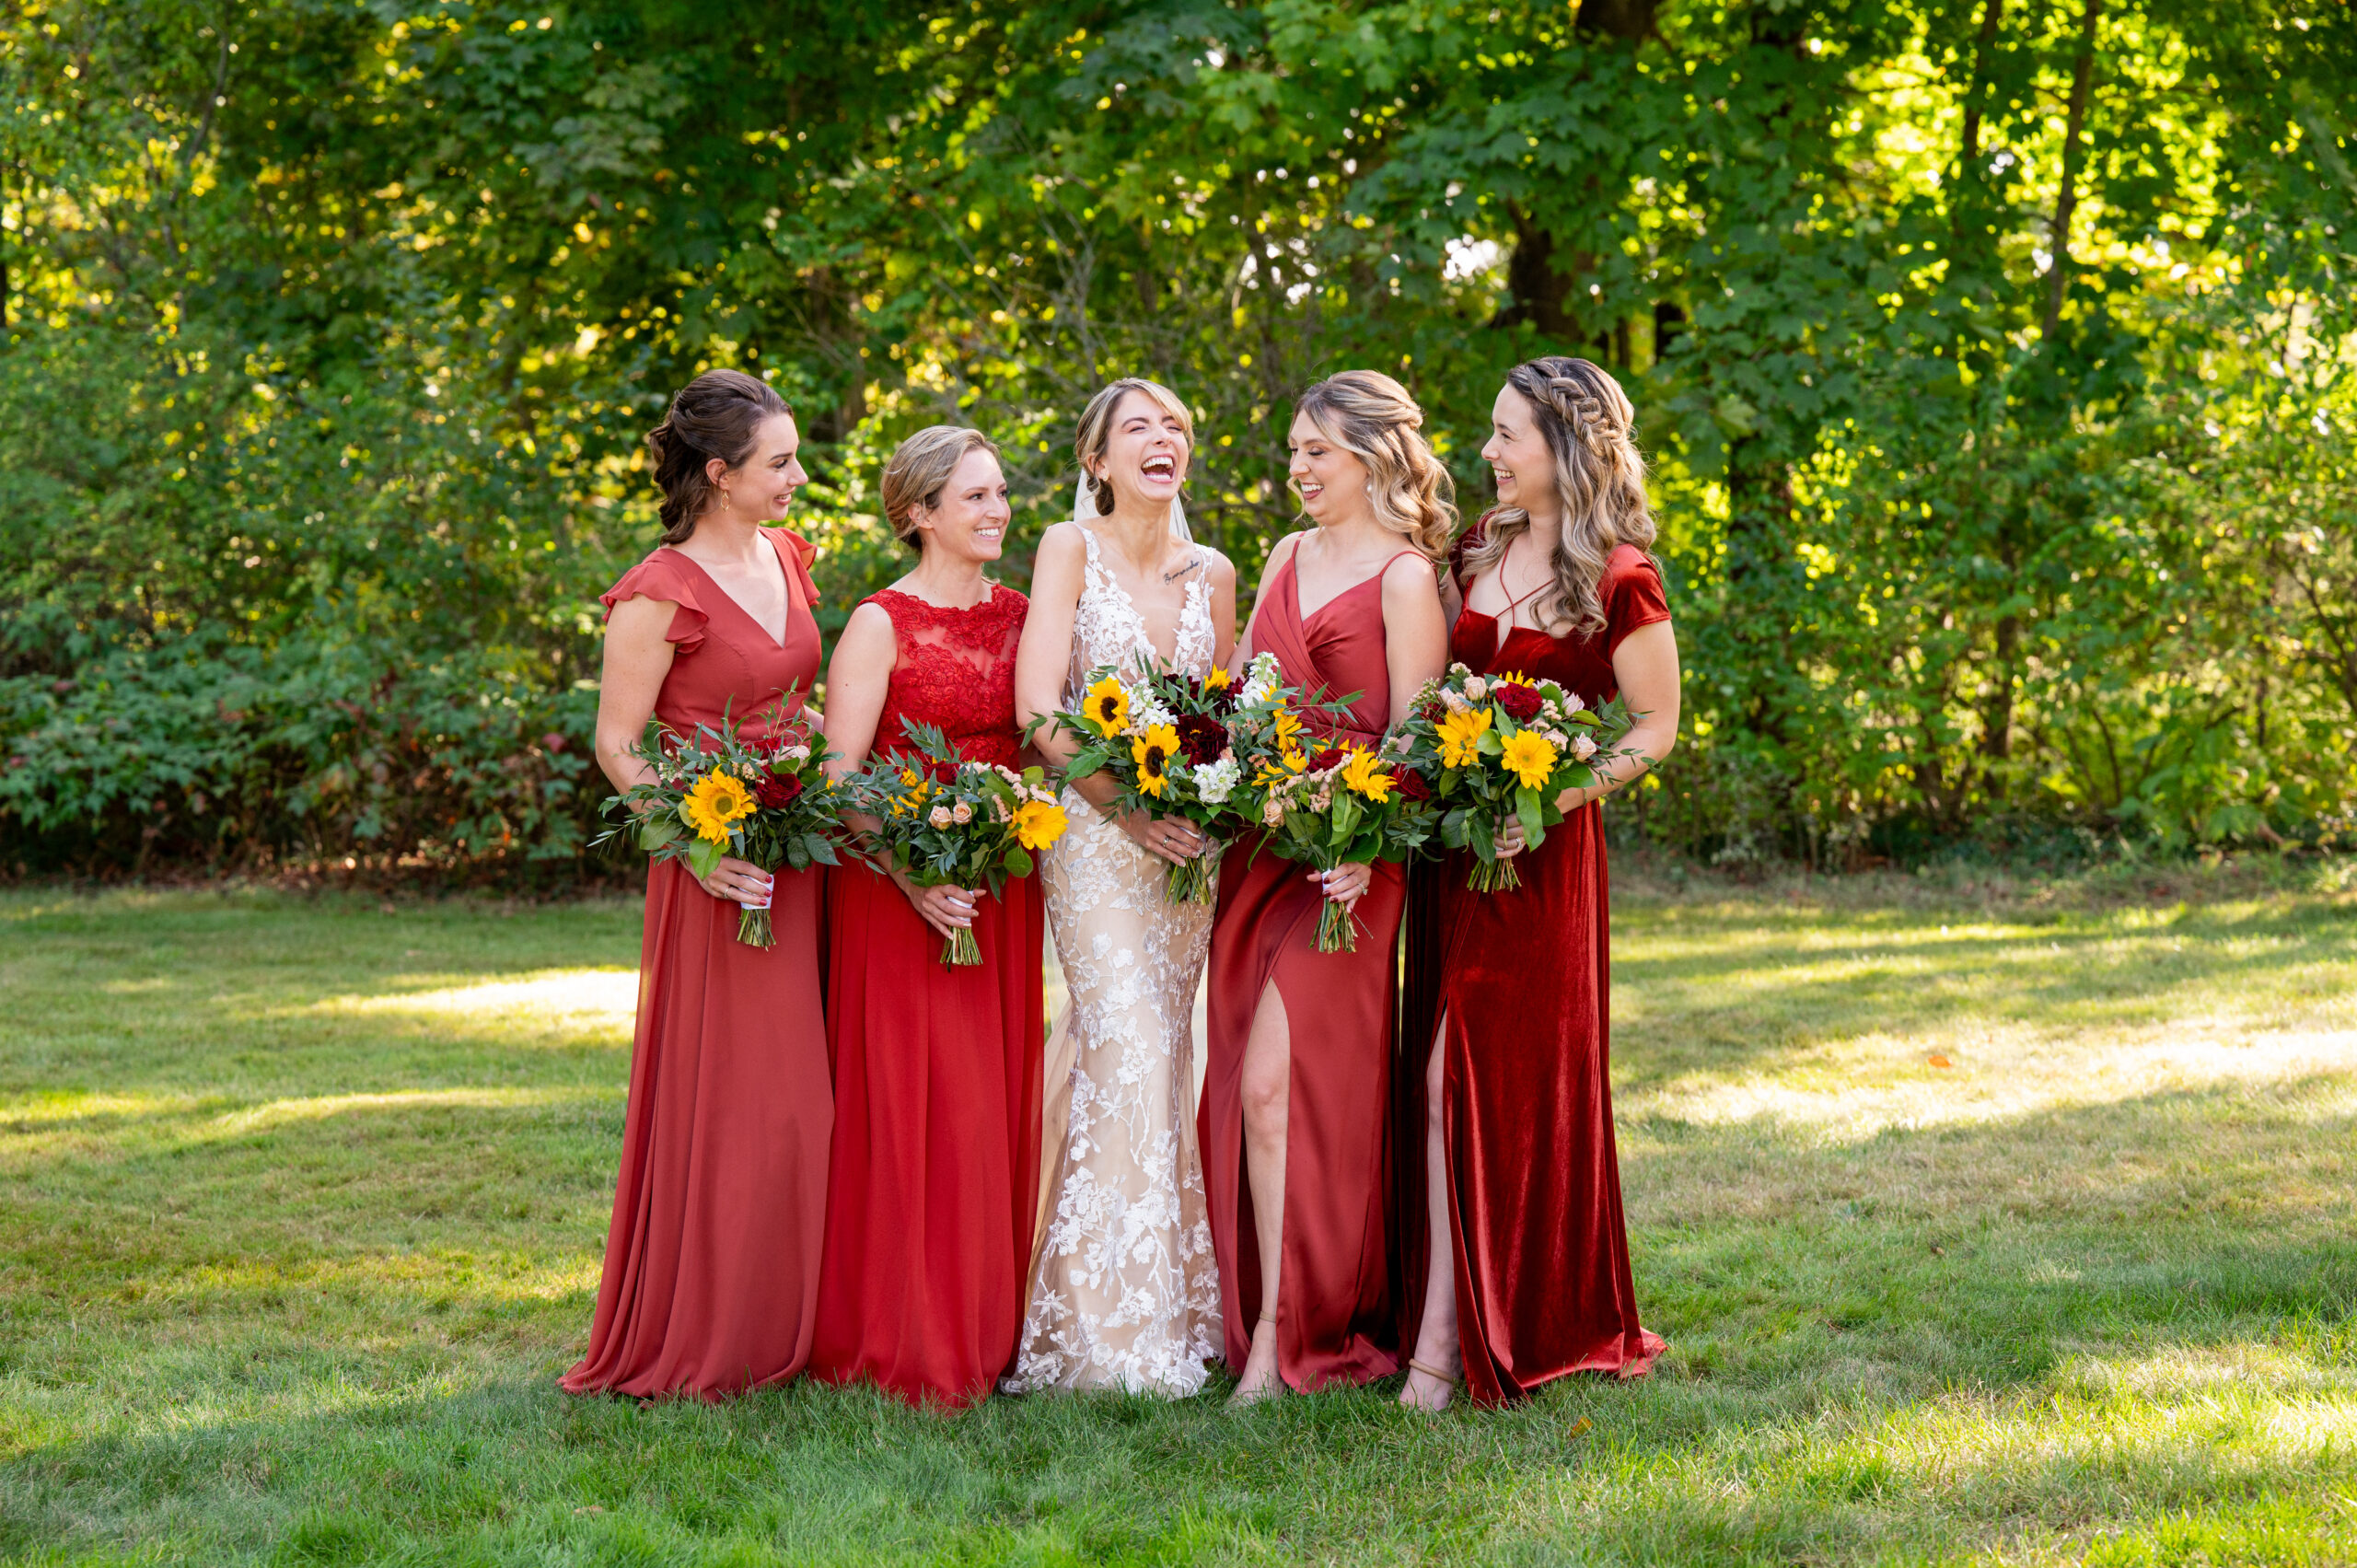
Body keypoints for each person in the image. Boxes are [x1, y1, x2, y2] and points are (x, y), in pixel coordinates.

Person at [1398, 356, 1681, 1411]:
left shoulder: (1618, 576)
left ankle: (1449, 1342)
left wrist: (1546, 802)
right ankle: (1436, 1307)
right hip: (1451, 855)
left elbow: (1653, 726)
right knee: (1435, 1069)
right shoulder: (1474, 546)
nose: (1489, 452)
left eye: (1507, 434)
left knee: (1473, 1079)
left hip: (1540, 860)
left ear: (1565, 445)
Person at [563, 369, 830, 1400]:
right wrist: (698, 850)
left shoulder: (790, 555)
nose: (797, 476)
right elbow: (619, 745)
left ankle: (793, 1317)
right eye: (779, 462)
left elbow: (791, 703)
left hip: (800, 855)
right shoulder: (657, 591)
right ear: (718, 474)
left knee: (804, 1106)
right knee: (741, 1107)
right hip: (717, 870)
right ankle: (713, 1329)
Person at [1201, 370, 1452, 1404]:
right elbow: (1244, 693)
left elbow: (1418, 740)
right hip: (1263, 842)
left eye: (1318, 451)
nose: (1298, 467)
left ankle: (1289, 1333)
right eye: (1294, 450)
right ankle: (1267, 1314)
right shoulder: (1282, 555)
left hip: (1352, 861)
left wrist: (1368, 843)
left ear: (1374, 456)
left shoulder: (1404, 577)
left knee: (1287, 1084)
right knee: (1248, 1086)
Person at [1004, 378, 1237, 1397]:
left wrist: (1203, 803)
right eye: (1138, 427)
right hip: (1098, 842)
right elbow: (1036, 709)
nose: (1163, 439)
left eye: (1175, 426)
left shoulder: (1217, 572)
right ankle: (1098, 1336)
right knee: (1129, 1050)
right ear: (1096, 459)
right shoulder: (1068, 549)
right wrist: (1124, 807)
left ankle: (1179, 1307)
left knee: (1162, 1062)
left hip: (1188, 853)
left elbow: (1224, 722)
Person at [807, 425, 1046, 1409]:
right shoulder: (878, 621)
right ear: (919, 514)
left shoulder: (1027, 613)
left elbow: (1041, 744)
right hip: (895, 889)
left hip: (996, 885)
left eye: (999, 494)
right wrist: (909, 874)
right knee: (908, 1103)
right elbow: (838, 775)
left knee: (986, 1103)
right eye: (975, 497)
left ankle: (984, 1329)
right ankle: (898, 1333)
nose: (997, 511)